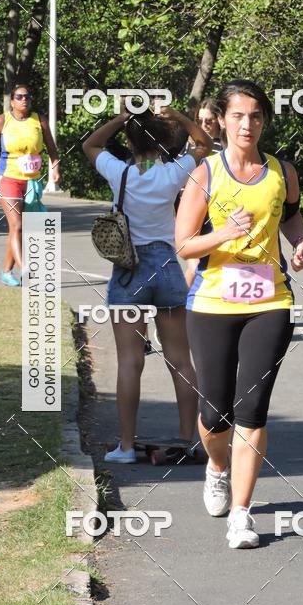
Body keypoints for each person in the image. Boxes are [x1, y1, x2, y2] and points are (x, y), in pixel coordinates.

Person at [175, 79, 303, 548]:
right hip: (212, 303)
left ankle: (242, 513)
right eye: (238, 115)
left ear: (264, 120)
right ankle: (216, 467)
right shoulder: (204, 175)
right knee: (215, 413)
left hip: (269, 302)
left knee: (251, 408)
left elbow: (291, 213)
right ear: (223, 119)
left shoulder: (281, 172)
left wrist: (300, 242)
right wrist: (224, 232)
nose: (247, 124)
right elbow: (185, 243)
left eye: (255, 115)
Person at [82, 105, 213, 464]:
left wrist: (123, 119)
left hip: (130, 269)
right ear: (165, 141)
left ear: (130, 140)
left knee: (130, 361)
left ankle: (126, 446)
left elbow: (90, 146)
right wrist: (181, 119)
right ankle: (186, 440)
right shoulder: (173, 173)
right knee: (180, 360)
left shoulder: (120, 172)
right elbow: (204, 144)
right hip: (168, 266)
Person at [0, 85, 60, 286]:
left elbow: (52, 149)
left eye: (27, 97)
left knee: (19, 229)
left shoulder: (40, 120)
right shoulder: (2, 121)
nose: (24, 100)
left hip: (31, 182)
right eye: (19, 97)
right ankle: (26, 269)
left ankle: (6, 271)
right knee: (17, 225)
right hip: (7, 179)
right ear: (12, 101)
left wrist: (55, 168)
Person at [182, 99, 224, 287]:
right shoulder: (189, 145)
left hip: (216, 213)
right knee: (195, 265)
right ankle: (177, 309)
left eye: (209, 120)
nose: (204, 125)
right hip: (190, 211)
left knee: (214, 266)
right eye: (200, 121)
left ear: (219, 121)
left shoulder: (226, 148)